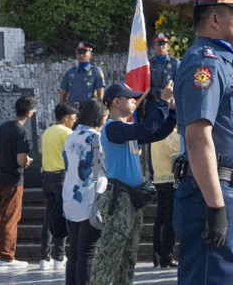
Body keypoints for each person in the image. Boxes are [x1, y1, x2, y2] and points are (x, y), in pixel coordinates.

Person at [172, 0, 233, 285]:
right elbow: (198, 136)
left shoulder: (224, 64)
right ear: (214, 19)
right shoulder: (205, 62)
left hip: (231, 191)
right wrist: (215, 206)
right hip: (212, 193)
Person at [90, 82, 176, 285]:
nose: (134, 101)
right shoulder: (112, 128)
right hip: (118, 198)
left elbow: (157, 133)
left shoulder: (127, 128)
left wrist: (172, 112)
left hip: (132, 198)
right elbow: (145, 129)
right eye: (129, 98)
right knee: (110, 253)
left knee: (128, 256)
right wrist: (163, 102)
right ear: (116, 102)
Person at [0, 95, 36, 272]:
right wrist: (27, 161)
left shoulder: (0, 128)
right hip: (12, 180)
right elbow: (20, 160)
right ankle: (6, 257)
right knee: (10, 218)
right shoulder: (21, 132)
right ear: (29, 113)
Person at [62, 99, 109, 285]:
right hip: (90, 198)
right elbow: (106, 165)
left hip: (70, 198)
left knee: (74, 251)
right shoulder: (96, 138)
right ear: (99, 116)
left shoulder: (71, 136)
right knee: (89, 251)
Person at [39, 102, 78, 270]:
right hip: (62, 177)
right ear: (66, 117)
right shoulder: (67, 133)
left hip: (47, 178)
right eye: (74, 118)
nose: (75, 121)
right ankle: (59, 257)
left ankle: (44, 258)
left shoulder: (47, 132)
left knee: (49, 218)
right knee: (62, 216)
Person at [150, 119, 181, 268]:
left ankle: (157, 254)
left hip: (158, 178)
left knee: (160, 219)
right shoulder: (171, 134)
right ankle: (167, 256)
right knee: (169, 220)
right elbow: (177, 157)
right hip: (171, 179)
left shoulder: (156, 135)